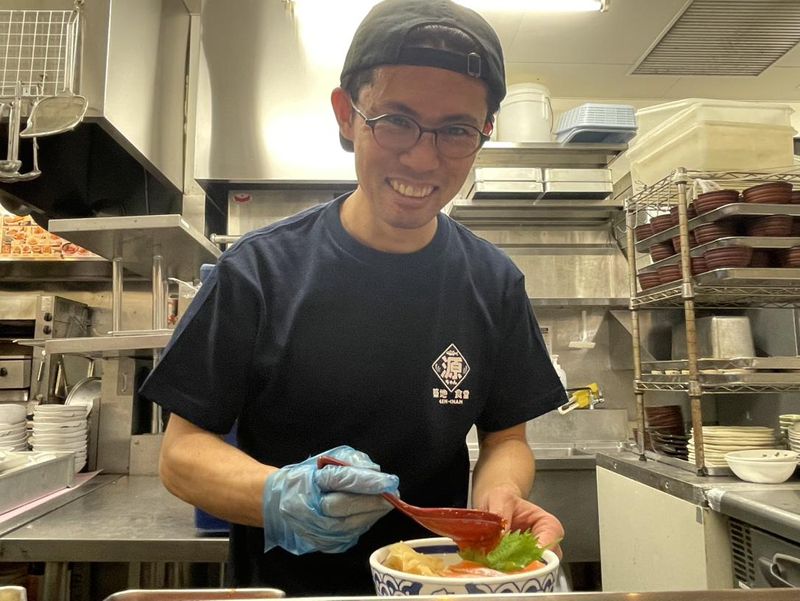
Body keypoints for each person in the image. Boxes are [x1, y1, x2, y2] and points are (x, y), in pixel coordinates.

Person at [139, 0, 568, 595]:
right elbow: (181, 454)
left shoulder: (494, 283)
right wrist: (278, 493)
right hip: (286, 591)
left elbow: (506, 441)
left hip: (440, 585)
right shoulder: (257, 272)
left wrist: (500, 495)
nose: (423, 157)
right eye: (396, 120)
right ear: (347, 115)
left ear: (483, 134)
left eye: (456, 130)